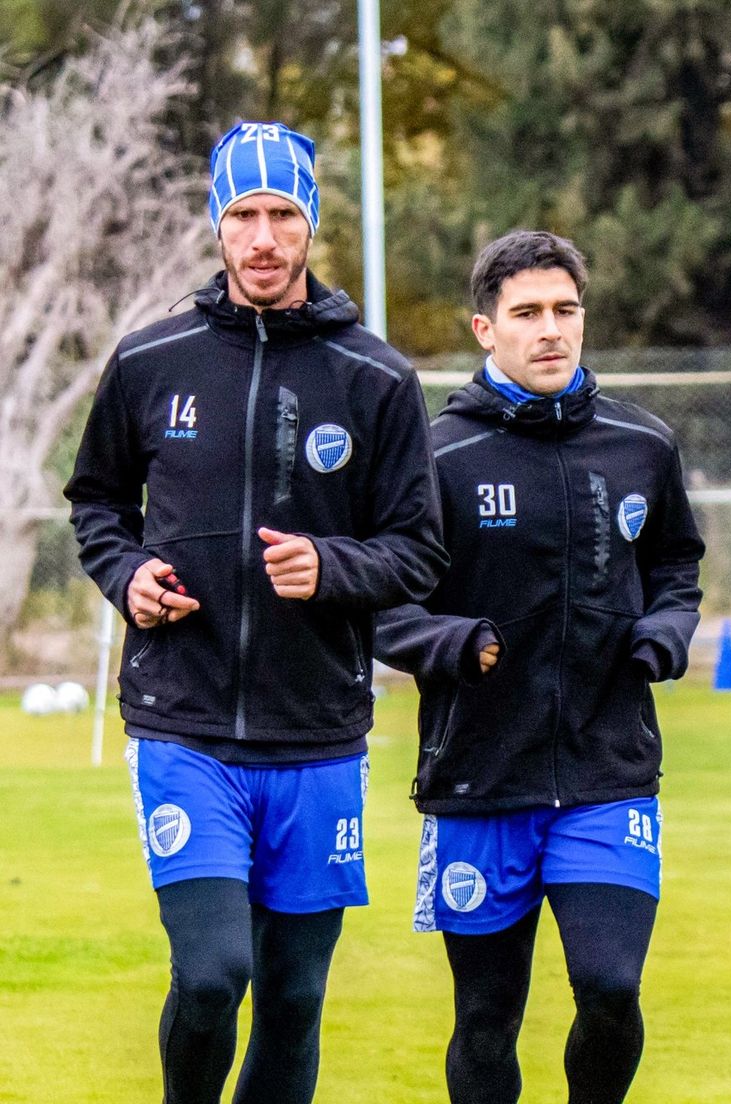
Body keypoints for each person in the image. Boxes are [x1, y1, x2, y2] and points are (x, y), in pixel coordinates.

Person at [64, 121, 447, 1104]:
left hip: (316, 736)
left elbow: (419, 551)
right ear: (217, 224)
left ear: (312, 220)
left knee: (291, 998)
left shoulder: (375, 378)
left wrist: (332, 565)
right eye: (244, 215)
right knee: (212, 975)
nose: (264, 236)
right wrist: (124, 575)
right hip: (183, 725)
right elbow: (98, 504)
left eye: (283, 213)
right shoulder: (152, 362)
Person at [375, 229, 704, 1104]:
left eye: (564, 310)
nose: (549, 329)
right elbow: (380, 605)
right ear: (485, 329)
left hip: (609, 771)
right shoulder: (436, 458)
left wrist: (668, 629)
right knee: (486, 1017)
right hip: (481, 778)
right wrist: (453, 644)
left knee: (610, 987)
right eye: (526, 314)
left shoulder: (644, 445)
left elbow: (677, 564)